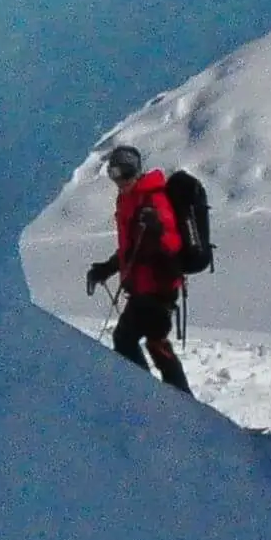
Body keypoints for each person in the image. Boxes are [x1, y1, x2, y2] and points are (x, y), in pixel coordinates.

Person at [84, 140, 194, 388]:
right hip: (142, 288)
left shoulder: (153, 199)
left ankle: (157, 398)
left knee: (131, 340)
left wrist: (157, 229)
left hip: (159, 288)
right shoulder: (129, 199)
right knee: (149, 343)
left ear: (133, 171)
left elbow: (172, 245)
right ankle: (174, 401)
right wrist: (107, 268)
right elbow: (131, 248)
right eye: (113, 174)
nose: (118, 181)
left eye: (121, 174)